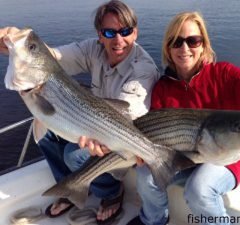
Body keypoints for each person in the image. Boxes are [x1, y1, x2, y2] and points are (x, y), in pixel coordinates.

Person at [125, 11, 240, 225]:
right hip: (181, 157)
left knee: (199, 189)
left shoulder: (224, 74)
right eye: (176, 42)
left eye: (193, 40)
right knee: (144, 175)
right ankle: (153, 220)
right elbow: (155, 133)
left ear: (204, 45)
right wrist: (143, 151)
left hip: (225, 157)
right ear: (168, 48)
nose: (185, 48)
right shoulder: (162, 88)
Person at [0, 1, 160, 224]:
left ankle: (111, 193)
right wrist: (15, 39)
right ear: (99, 35)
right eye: (109, 32)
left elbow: (128, 118)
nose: (118, 40)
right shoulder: (93, 49)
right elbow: (53, 58)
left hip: (124, 142)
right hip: (94, 122)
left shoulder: (143, 70)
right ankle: (68, 188)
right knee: (44, 134)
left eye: (125, 31)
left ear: (135, 32)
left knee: (73, 155)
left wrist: (102, 138)